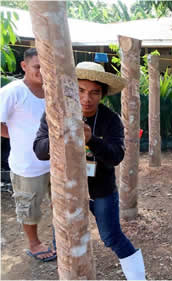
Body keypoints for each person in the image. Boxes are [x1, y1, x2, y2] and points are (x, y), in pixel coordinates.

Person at [33, 61, 145, 280]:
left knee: (111, 237)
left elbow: (116, 156)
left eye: (94, 92)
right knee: (65, 238)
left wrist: (92, 140)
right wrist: (60, 136)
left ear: (102, 94)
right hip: (67, 190)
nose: (87, 98)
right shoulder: (55, 114)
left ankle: (138, 277)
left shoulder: (110, 119)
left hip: (101, 189)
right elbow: (39, 149)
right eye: (80, 90)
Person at [0, 48, 56, 262]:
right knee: (28, 207)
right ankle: (34, 243)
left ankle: (58, 238)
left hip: (55, 163)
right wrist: (14, 136)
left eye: (46, 67)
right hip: (27, 166)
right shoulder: (13, 91)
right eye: (37, 67)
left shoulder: (51, 91)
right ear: (24, 66)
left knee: (58, 203)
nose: (42, 72)